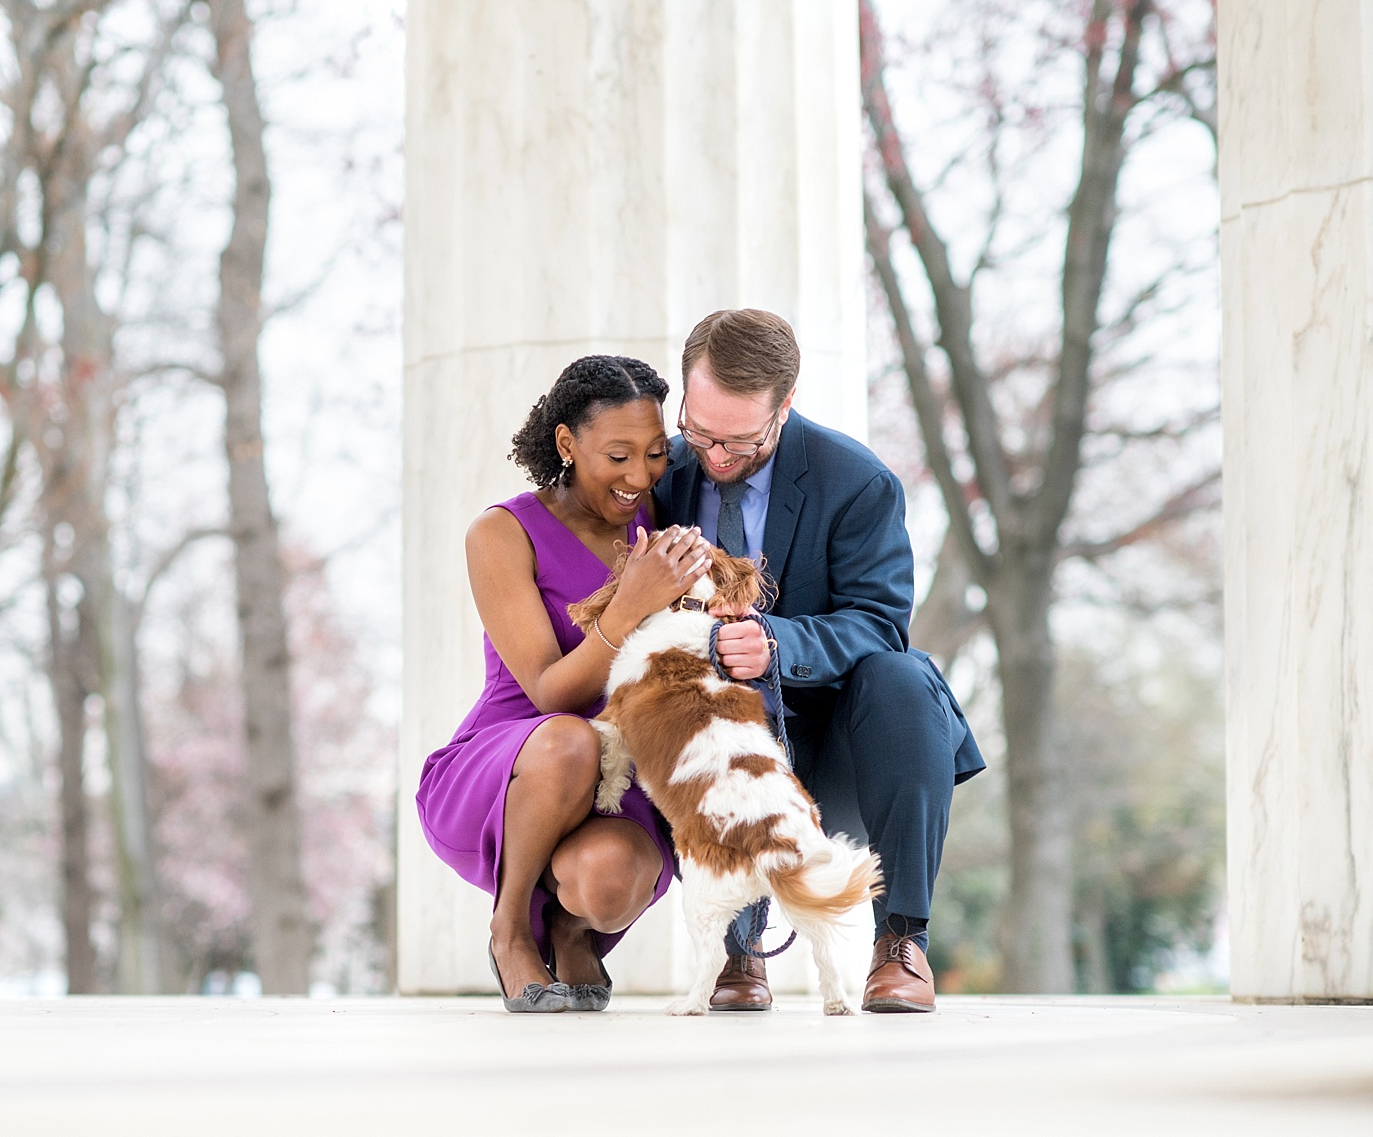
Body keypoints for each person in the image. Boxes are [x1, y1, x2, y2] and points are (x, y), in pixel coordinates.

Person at [652, 309, 985, 1014]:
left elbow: (878, 622)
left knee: (906, 676)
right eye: (700, 431)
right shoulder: (661, 476)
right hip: (710, 744)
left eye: (739, 440)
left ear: (786, 404)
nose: (714, 456)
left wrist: (780, 642)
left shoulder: (858, 483)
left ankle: (901, 942)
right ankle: (737, 952)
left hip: (832, 744)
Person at [415, 355, 714, 1013]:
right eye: (617, 455)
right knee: (570, 740)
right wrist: (629, 605)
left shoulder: (660, 518)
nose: (639, 475)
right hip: (515, 762)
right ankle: (511, 926)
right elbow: (553, 692)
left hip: (618, 766)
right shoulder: (501, 532)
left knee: (611, 882)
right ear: (566, 444)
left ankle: (571, 928)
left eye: (656, 453)